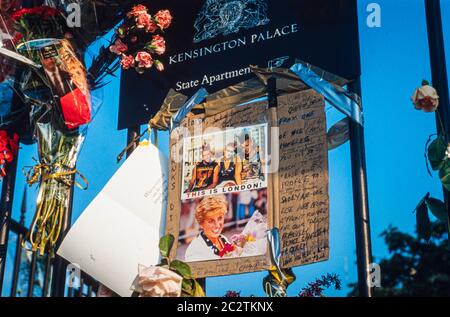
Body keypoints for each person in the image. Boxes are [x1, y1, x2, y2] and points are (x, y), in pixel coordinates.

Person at [184, 195, 232, 262]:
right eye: (211, 221)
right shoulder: (194, 250)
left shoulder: (223, 239)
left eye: (220, 218)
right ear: (201, 224)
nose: (217, 225)